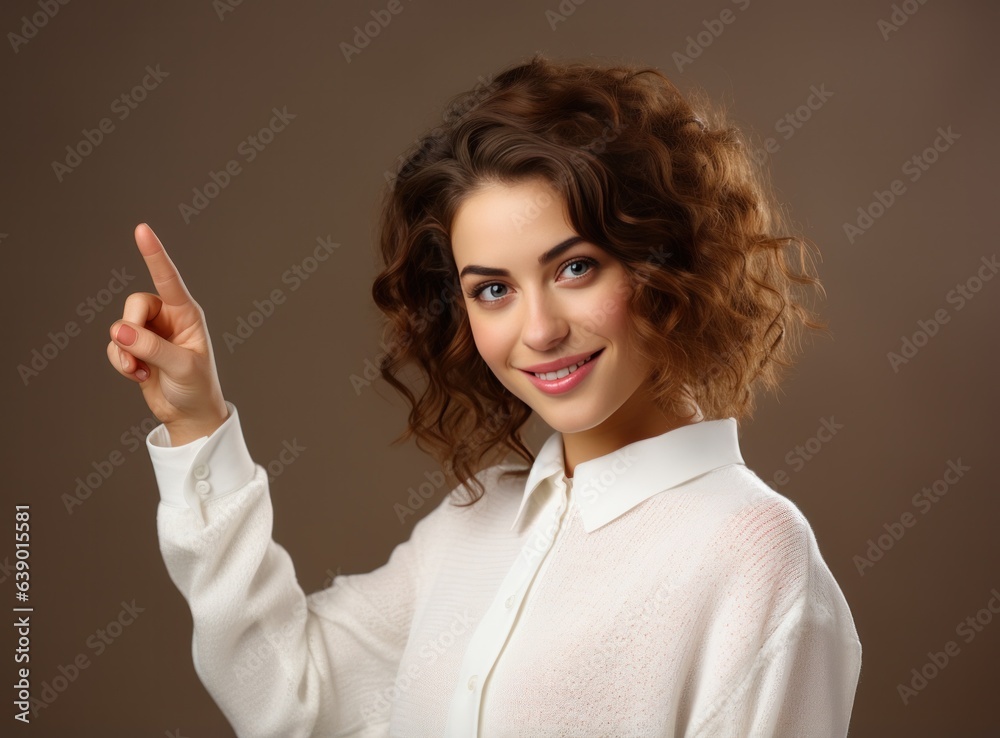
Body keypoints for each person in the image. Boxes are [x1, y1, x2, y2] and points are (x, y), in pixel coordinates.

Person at [107, 53, 862, 737]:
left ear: (660, 262)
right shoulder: (473, 526)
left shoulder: (753, 552)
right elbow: (290, 696)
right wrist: (195, 421)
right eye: (494, 289)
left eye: (575, 269)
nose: (538, 330)